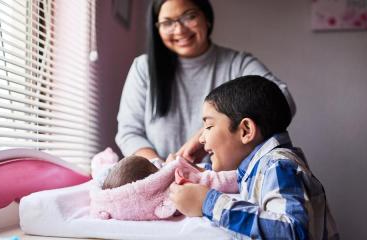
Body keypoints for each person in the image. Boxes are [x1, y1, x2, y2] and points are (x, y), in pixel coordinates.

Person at [116, 0, 296, 163]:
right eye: (167, 23)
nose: (179, 30)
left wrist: (205, 134)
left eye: (190, 16)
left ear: (207, 18)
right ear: (158, 29)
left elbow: (282, 99)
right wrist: (161, 167)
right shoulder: (143, 68)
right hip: (162, 180)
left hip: (228, 185)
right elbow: (129, 132)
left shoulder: (238, 64)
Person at [169, 76, 339, 239]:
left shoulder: (278, 166)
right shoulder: (258, 168)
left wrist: (208, 203)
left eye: (209, 126)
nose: (201, 138)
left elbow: (291, 232)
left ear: (246, 130)